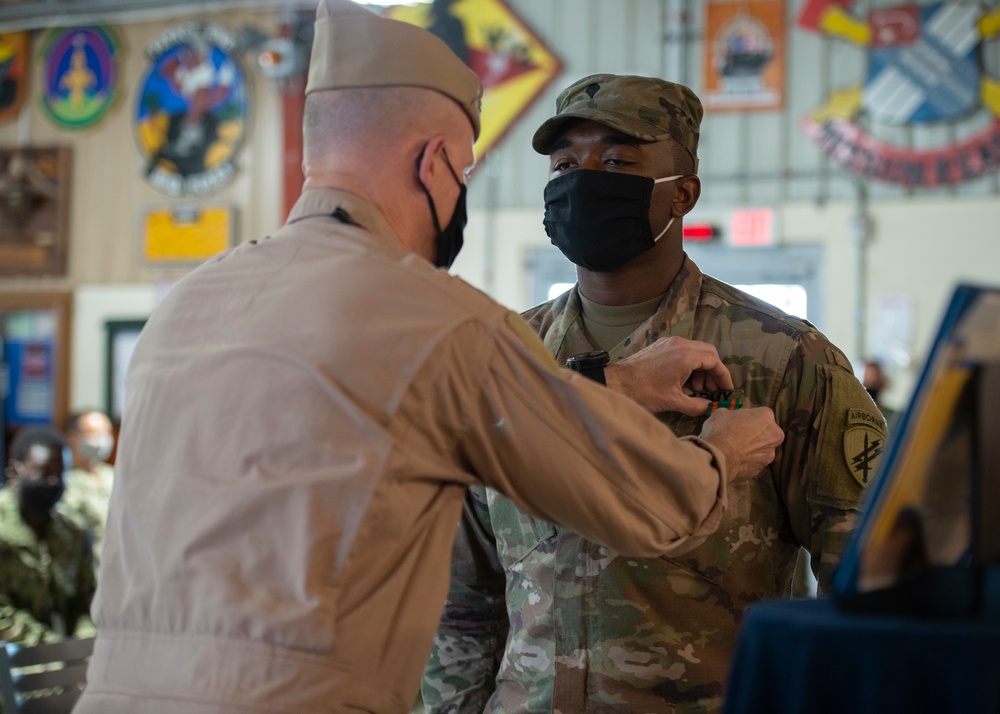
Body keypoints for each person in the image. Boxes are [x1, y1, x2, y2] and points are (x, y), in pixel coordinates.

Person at [72, 6, 783, 714]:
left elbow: (384, 412)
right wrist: (721, 453)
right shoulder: (439, 319)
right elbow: (646, 503)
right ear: (433, 162)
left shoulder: (187, 307)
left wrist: (613, 382)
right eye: (464, 171)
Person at [422, 74, 886, 713]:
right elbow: (462, 603)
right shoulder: (505, 359)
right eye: (565, 164)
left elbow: (861, 587)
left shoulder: (782, 358)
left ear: (683, 194)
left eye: (617, 161)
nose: (585, 180)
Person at [0, 425, 96, 646]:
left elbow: (86, 599)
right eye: (44, 472)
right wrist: (52, 648)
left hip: (64, 660)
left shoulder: (73, 531)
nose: (54, 482)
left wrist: (84, 644)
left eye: (61, 473)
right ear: (15, 471)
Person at [61, 408, 115, 559]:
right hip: (84, 566)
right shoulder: (63, 480)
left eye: (106, 434)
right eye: (93, 434)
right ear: (72, 437)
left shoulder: (113, 476)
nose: (101, 440)